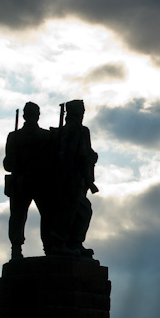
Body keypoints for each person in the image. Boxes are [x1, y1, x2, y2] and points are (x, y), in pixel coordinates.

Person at [48, 99, 98, 258]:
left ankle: (73, 243)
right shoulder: (72, 130)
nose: (83, 114)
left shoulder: (80, 130)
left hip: (76, 179)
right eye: (81, 111)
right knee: (74, 210)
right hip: (70, 179)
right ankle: (61, 243)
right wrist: (68, 179)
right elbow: (67, 155)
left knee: (76, 211)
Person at [3, 102, 52, 260]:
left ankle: (16, 248)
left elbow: (7, 164)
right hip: (40, 182)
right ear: (38, 115)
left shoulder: (15, 136)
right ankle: (49, 247)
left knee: (18, 216)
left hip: (23, 182)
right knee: (47, 216)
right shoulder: (46, 136)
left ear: (24, 116)